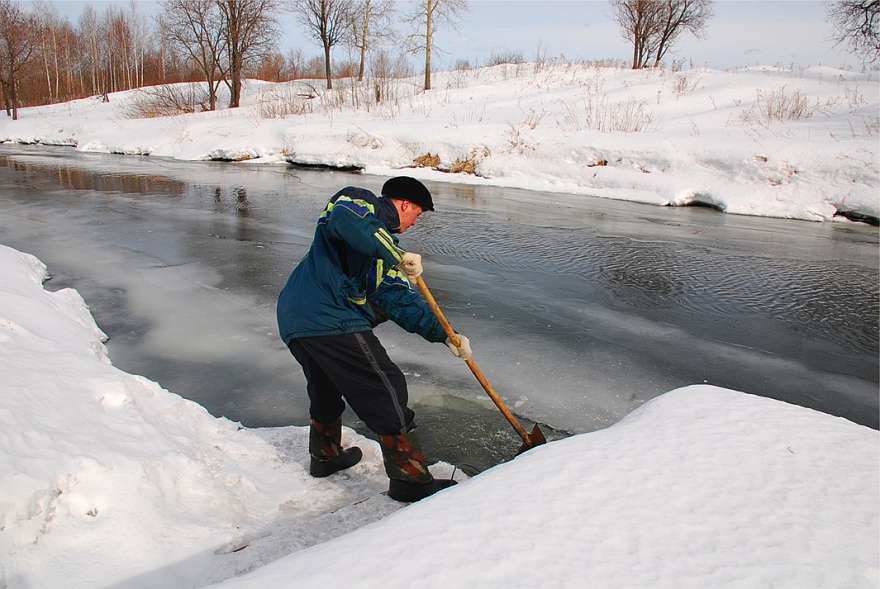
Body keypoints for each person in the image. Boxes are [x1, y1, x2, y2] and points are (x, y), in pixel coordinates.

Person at [277, 176, 472, 503]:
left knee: (325, 386)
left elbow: (401, 301)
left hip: (297, 316)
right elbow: (347, 221)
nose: (413, 224)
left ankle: (324, 456)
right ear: (405, 204)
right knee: (386, 386)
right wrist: (395, 252)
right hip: (329, 315)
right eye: (417, 215)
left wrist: (445, 334)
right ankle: (409, 478)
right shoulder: (359, 202)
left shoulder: (383, 256)